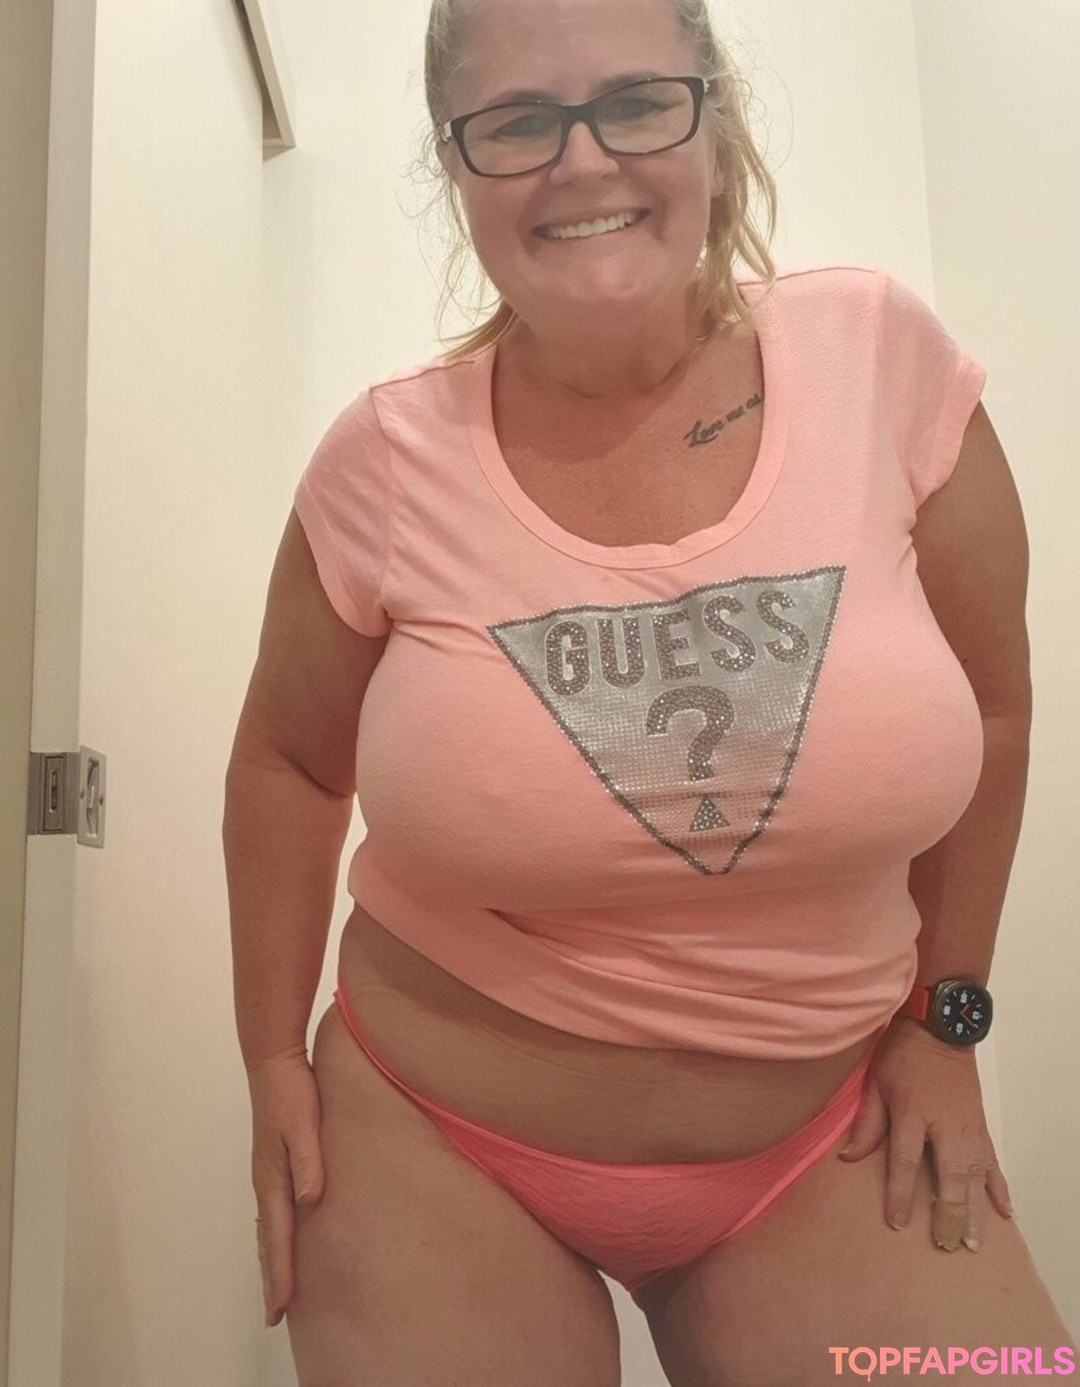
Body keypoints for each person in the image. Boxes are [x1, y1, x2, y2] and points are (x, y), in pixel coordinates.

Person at [222, 0, 1076, 1382]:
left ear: (715, 126)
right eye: (517, 122)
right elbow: (289, 763)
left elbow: (996, 713)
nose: (582, 160)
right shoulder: (382, 459)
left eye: (634, 101)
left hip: (830, 1137)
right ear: (455, 165)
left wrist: (950, 1024)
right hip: (432, 1134)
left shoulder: (884, 360)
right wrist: (269, 1057)